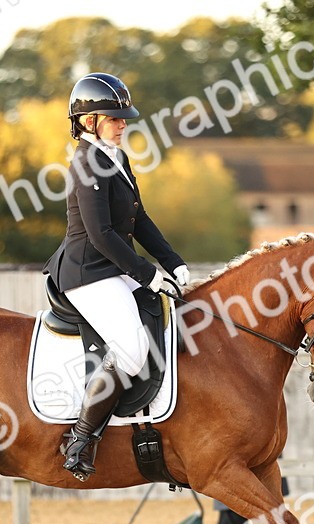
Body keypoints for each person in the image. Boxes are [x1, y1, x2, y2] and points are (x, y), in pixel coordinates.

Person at [45, 72, 191, 481]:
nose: (123, 124)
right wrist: (147, 274)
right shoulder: (86, 163)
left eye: (124, 118)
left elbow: (138, 219)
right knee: (130, 349)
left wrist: (172, 260)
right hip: (88, 273)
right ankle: (81, 437)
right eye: (115, 118)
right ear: (88, 121)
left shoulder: (115, 157)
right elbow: (102, 235)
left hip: (113, 268)